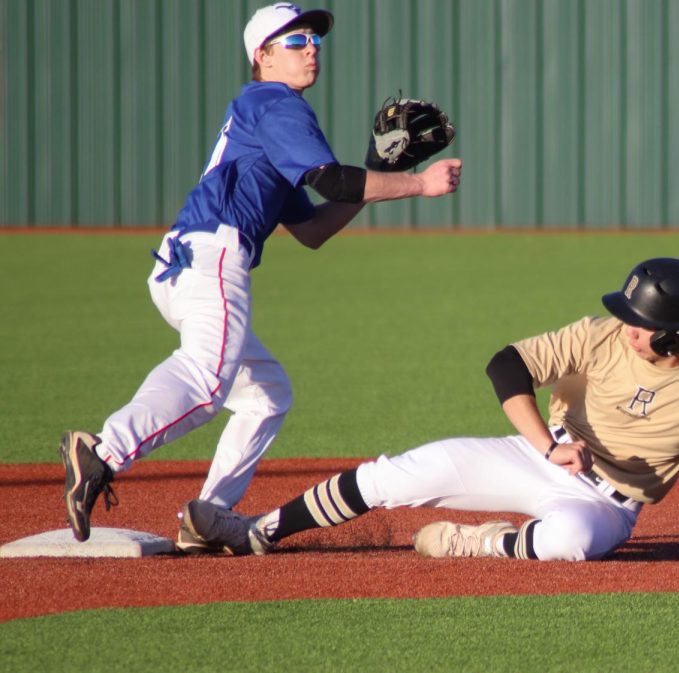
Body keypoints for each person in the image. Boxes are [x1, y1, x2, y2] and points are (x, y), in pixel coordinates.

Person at [58, 3, 463, 551]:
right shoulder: (275, 103)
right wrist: (419, 185)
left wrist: (379, 165)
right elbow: (334, 180)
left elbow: (315, 227)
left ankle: (207, 515)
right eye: (295, 41)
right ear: (263, 56)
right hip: (213, 258)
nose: (311, 48)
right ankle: (102, 452)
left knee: (267, 394)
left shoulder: (265, 121)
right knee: (206, 381)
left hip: (185, 263)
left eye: (314, 40)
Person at [180, 258, 679, 564]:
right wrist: (547, 445)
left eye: (641, 321)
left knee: (570, 540)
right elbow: (506, 364)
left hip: (609, 504)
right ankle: (256, 530)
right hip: (535, 455)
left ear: (677, 334)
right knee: (397, 474)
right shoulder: (600, 334)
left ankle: (483, 541)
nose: (626, 324)